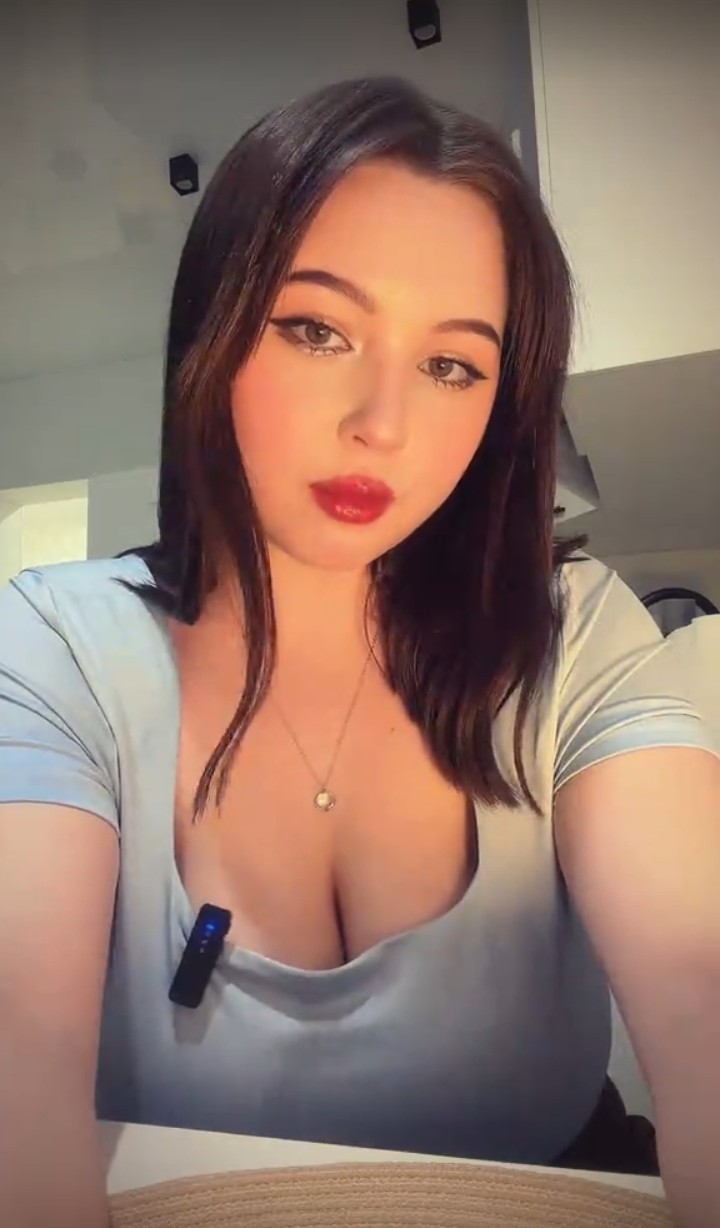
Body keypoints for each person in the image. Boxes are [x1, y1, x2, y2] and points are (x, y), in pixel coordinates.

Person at [0, 77, 718, 1228]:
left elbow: (699, 986)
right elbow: (20, 1069)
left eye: (452, 366)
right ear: (217, 327)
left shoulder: (571, 636)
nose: (383, 424)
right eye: (317, 329)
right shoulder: (58, 645)